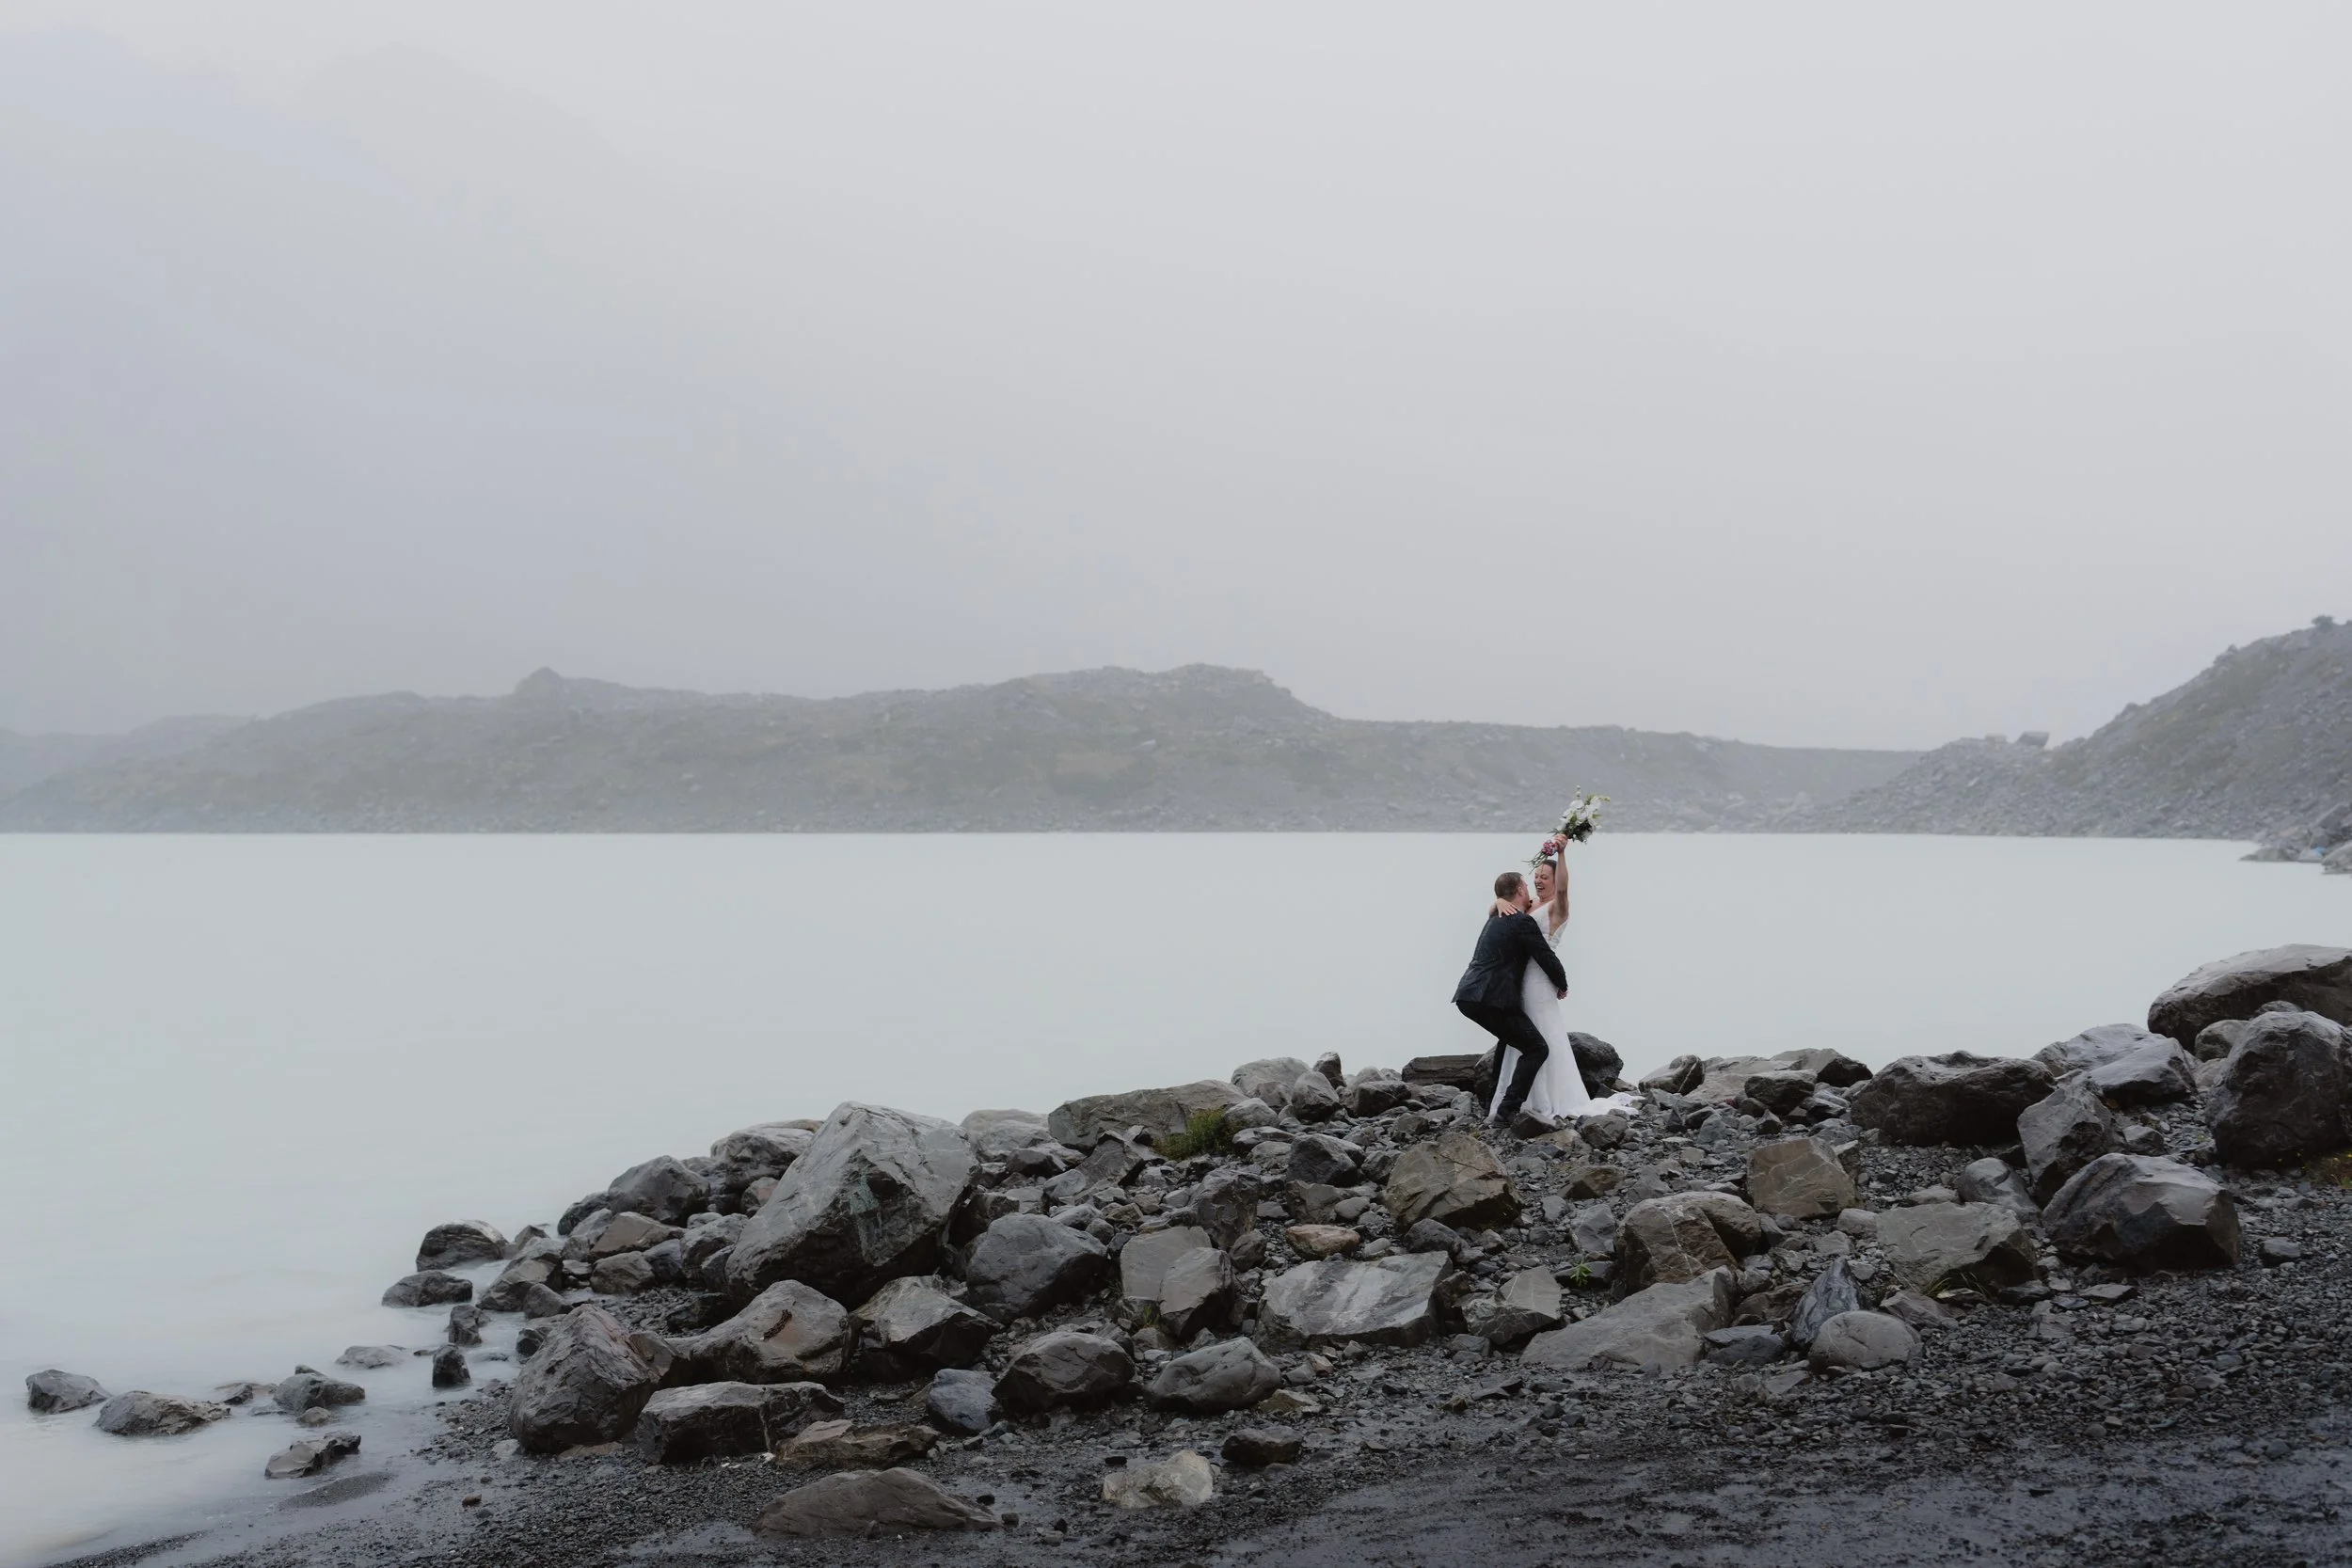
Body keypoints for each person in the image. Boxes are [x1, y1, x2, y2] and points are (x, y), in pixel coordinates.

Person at [1483, 852, 1640, 1124]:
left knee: (1541, 1034)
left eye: (1545, 877)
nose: (1539, 881)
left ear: (1555, 880)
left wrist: (1562, 852)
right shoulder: (1529, 906)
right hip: (1518, 981)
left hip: (1539, 982)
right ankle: (1518, 1098)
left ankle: (1547, 1100)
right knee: (1522, 1037)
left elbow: (1565, 886)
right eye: (1536, 877)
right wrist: (1497, 900)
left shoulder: (1558, 906)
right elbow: (1500, 910)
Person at [1452, 870, 1566, 1127]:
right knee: (1537, 1048)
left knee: (1508, 1041)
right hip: (1491, 998)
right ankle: (1507, 1111)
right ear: (1520, 891)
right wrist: (1562, 983)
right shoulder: (1520, 921)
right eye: (1526, 885)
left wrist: (1497, 901)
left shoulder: (1496, 915)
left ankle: (1493, 1103)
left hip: (1469, 995)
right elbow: (1544, 955)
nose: (1530, 888)